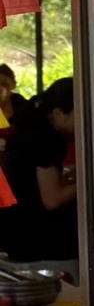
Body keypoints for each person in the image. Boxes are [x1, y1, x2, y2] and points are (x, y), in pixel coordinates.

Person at [0, 77, 78, 270]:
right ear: (59, 113)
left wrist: (69, 180)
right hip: (36, 240)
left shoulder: (28, 131)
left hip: (15, 235)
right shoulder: (45, 139)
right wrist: (89, 180)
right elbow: (52, 200)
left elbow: (33, 184)